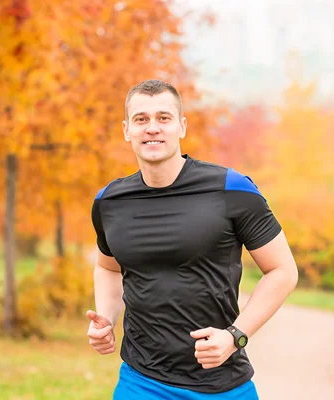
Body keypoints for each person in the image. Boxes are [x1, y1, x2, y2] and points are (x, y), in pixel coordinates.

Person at [88, 79, 298, 399]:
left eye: (164, 118)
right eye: (141, 119)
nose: (152, 128)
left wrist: (235, 336)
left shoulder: (232, 189)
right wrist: (106, 316)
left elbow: (283, 271)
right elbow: (108, 268)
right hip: (141, 381)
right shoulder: (109, 202)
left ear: (181, 126)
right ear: (127, 130)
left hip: (222, 384)